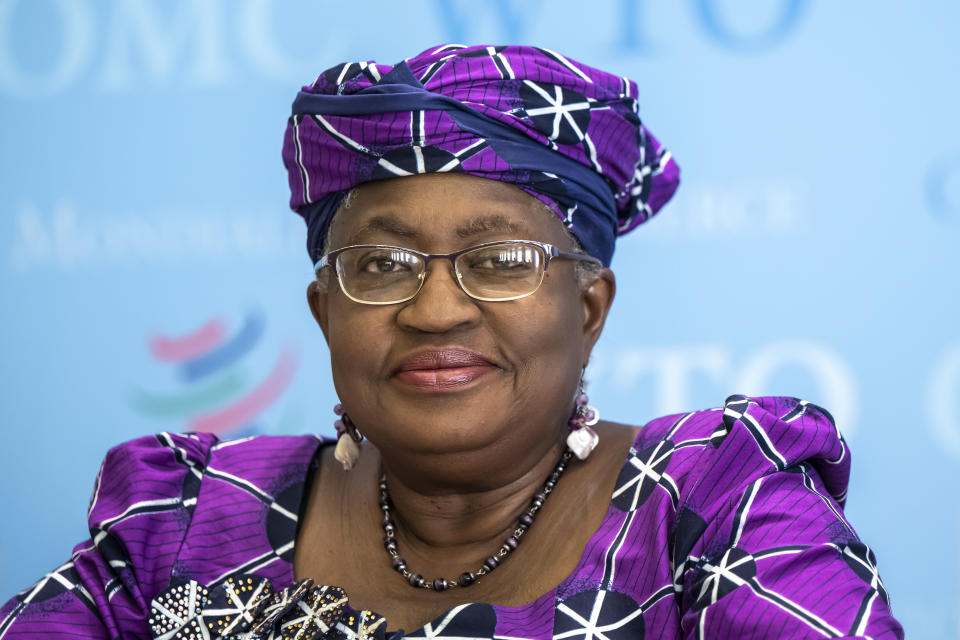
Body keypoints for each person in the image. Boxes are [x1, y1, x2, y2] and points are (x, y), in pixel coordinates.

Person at [0, 44, 903, 639]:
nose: (435, 309)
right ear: (325, 313)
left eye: (499, 259)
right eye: (383, 265)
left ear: (588, 310)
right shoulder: (190, 520)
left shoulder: (712, 504)